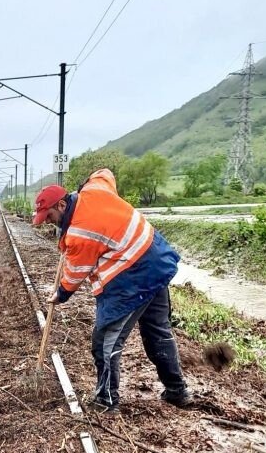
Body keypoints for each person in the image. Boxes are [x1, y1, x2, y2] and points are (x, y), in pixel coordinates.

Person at [32, 169, 192, 411]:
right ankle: (177, 391)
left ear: (62, 205)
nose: (48, 221)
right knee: (157, 332)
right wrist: (85, 183)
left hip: (134, 277)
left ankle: (106, 401)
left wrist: (61, 294)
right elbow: (104, 173)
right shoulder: (94, 188)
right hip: (157, 261)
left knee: (105, 341)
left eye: (49, 215)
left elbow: (75, 274)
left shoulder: (79, 233)